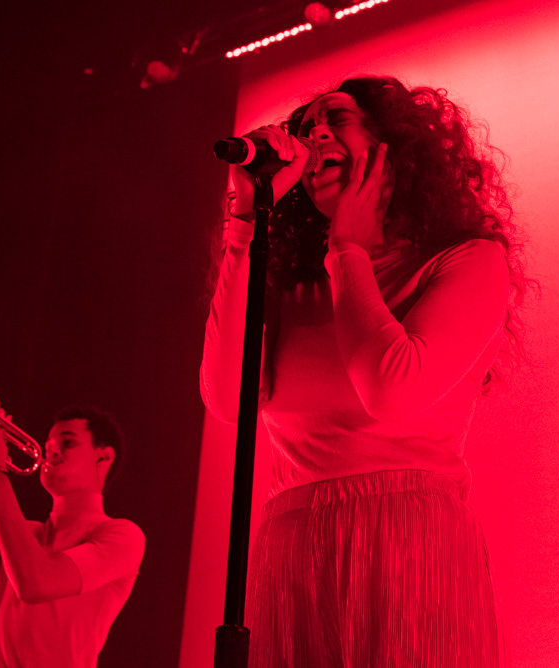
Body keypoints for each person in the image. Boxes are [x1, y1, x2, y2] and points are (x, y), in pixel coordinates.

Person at [201, 76, 529, 667]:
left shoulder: (469, 260)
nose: (314, 132)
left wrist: (348, 248)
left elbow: (390, 388)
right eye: (304, 128)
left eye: (337, 118)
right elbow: (228, 398)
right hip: (295, 545)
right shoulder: (289, 281)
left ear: (391, 146)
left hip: (409, 541)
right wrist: (244, 226)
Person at [0, 401, 144, 668]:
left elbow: (35, 584)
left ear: (104, 457)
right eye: (49, 443)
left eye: (68, 442)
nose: (51, 450)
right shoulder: (26, 533)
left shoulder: (123, 536)